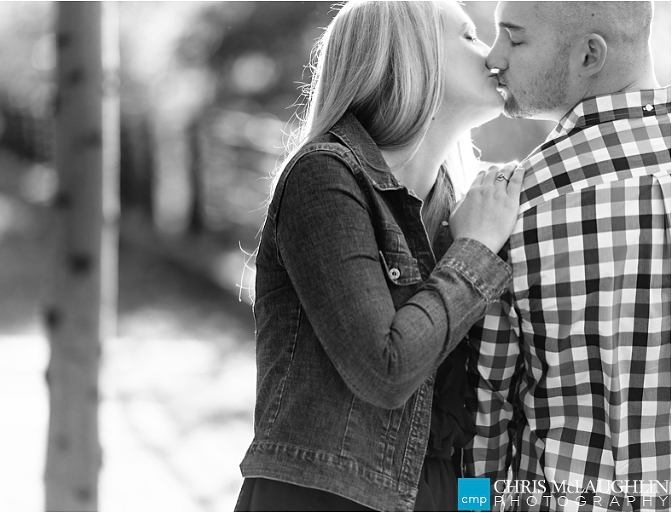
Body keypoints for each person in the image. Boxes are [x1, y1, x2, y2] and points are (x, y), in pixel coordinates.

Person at [235, 1, 525, 511]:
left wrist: (477, 506)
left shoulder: (457, 209)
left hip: (443, 498)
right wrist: (473, 253)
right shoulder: (324, 177)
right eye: (468, 37)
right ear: (408, 54)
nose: (492, 56)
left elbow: (465, 415)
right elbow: (384, 370)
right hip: (329, 498)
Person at [464, 2, 670, 511]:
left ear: (589, 55)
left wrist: (470, 508)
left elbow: (483, 418)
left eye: (514, 38)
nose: (494, 57)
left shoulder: (511, 205)